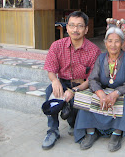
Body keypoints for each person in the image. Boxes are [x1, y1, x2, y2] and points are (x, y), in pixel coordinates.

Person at [74, 27, 125, 152]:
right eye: (110, 41)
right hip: (104, 91)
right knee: (86, 95)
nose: (113, 45)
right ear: (105, 43)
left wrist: (116, 93)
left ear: (122, 43)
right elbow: (93, 79)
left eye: (117, 41)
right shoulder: (101, 58)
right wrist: (101, 94)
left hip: (124, 92)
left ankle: (117, 133)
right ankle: (91, 131)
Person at [42, 11, 101, 150]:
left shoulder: (94, 50)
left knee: (80, 100)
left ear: (86, 29)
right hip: (63, 81)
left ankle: (75, 124)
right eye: (72, 25)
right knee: (50, 91)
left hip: (83, 85)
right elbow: (51, 69)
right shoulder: (57, 46)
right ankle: (52, 130)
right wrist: (54, 81)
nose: (75, 30)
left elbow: (92, 78)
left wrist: (74, 90)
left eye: (80, 26)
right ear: (66, 27)